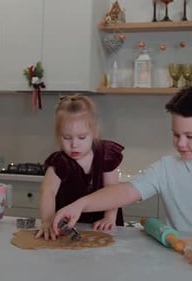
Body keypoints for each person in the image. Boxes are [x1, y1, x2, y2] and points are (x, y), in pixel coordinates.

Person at [52, 86, 192, 234]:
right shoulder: (166, 168)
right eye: (176, 134)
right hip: (180, 260)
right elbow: (125, 192)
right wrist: (79, 205)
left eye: (190, 136)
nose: (181, 143)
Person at [35, 94, 125, 240]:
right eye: (67, 137)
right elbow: (48, 191)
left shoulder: (106, 154)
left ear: (94, 133)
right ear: (58, 136)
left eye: (82, 137)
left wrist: (109, 218)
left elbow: (112, 191)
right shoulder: (59, 162)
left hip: (102, 225)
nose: (74, 144)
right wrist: (47, 221)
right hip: (70, 227)